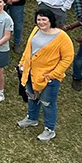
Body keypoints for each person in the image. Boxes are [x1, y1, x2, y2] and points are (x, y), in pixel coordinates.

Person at [17, 9, 73, 141]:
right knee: (32, 97)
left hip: (49, 78)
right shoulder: (35, 30)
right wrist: (22, 63)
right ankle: (32, 118)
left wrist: (53, 74)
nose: (41, 22)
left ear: (50, 20)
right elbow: (28, 49)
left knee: (47, 103)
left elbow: (67, 58)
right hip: (31, 73)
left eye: (44, 19)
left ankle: (49, 129)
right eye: (39, 19)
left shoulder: (62, 37)